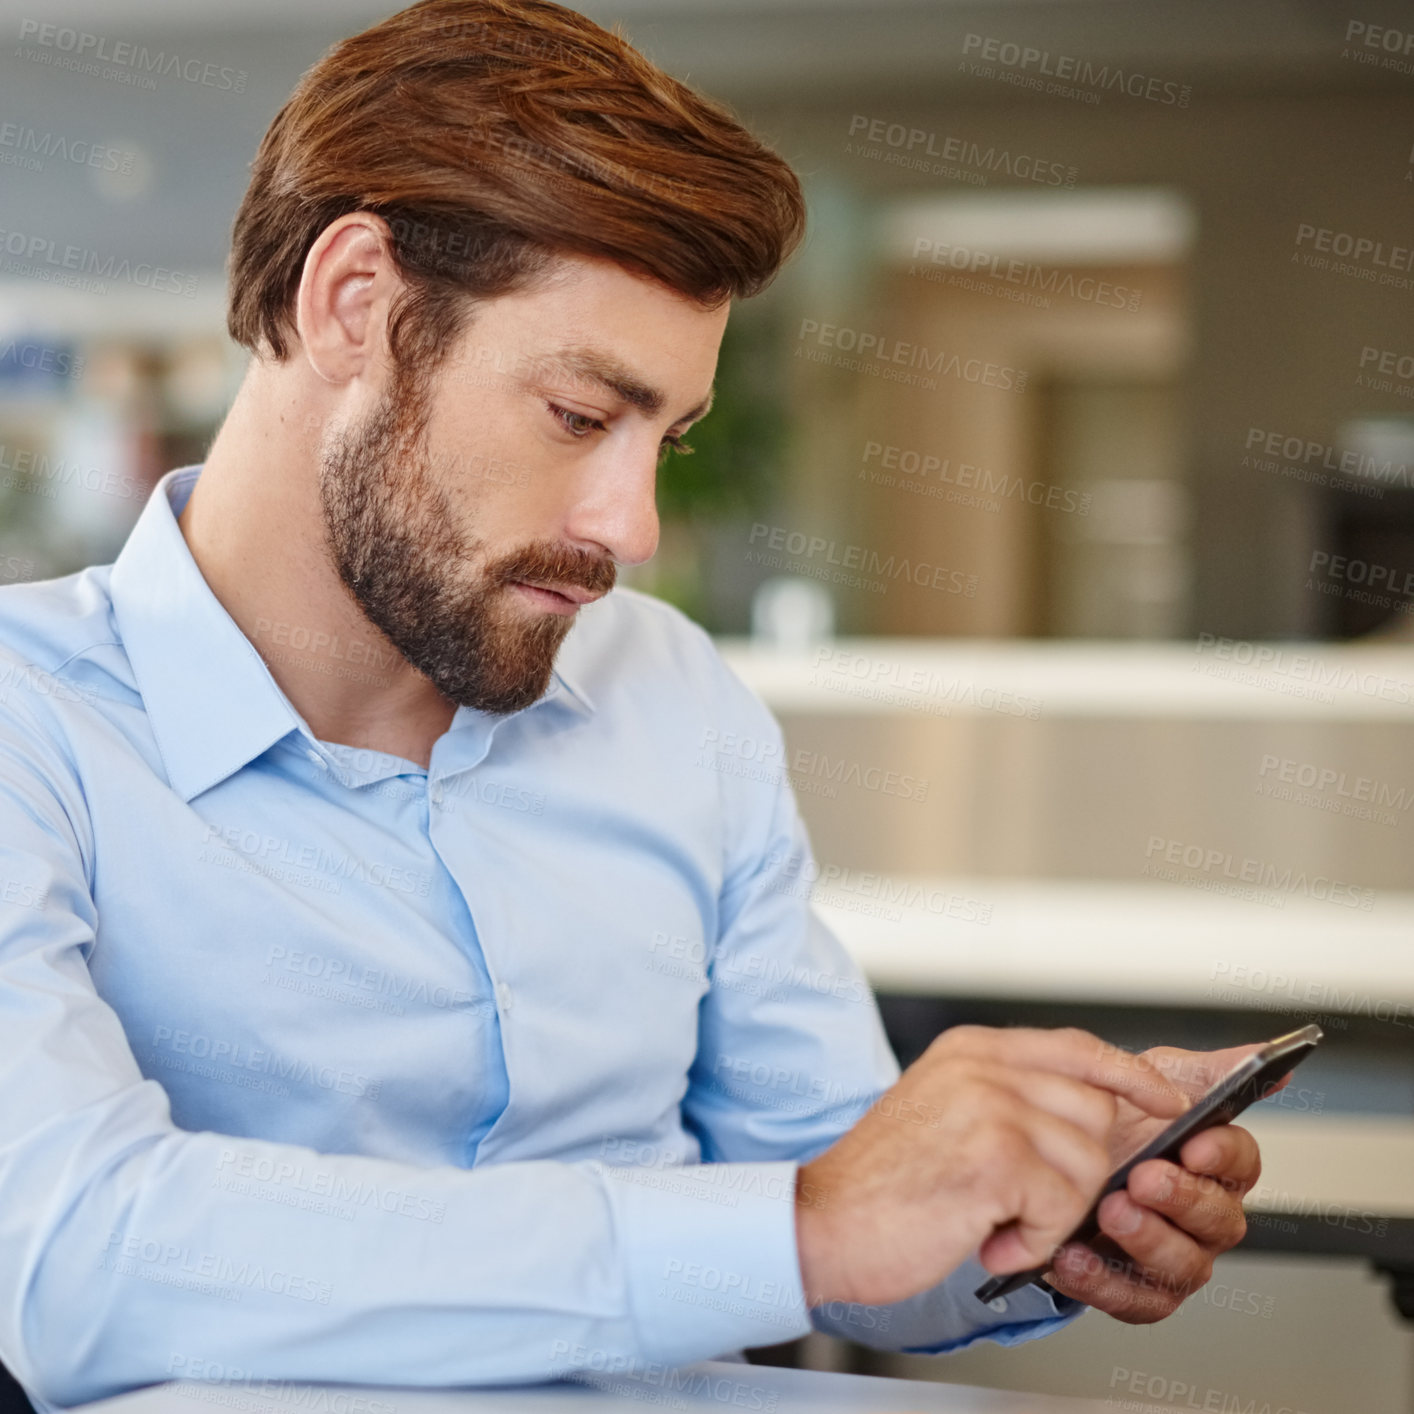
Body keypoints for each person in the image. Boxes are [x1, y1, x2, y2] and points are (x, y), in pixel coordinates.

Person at [0, 1, 1266, 1406]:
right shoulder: (29, 725)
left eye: (665, 435)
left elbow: (846, 1203)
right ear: (354, 301)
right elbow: (72, 1259)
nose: (633, 522)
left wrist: (1022, 1218)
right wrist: (799, 1226)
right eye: (577, 413)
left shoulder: (666, 702)